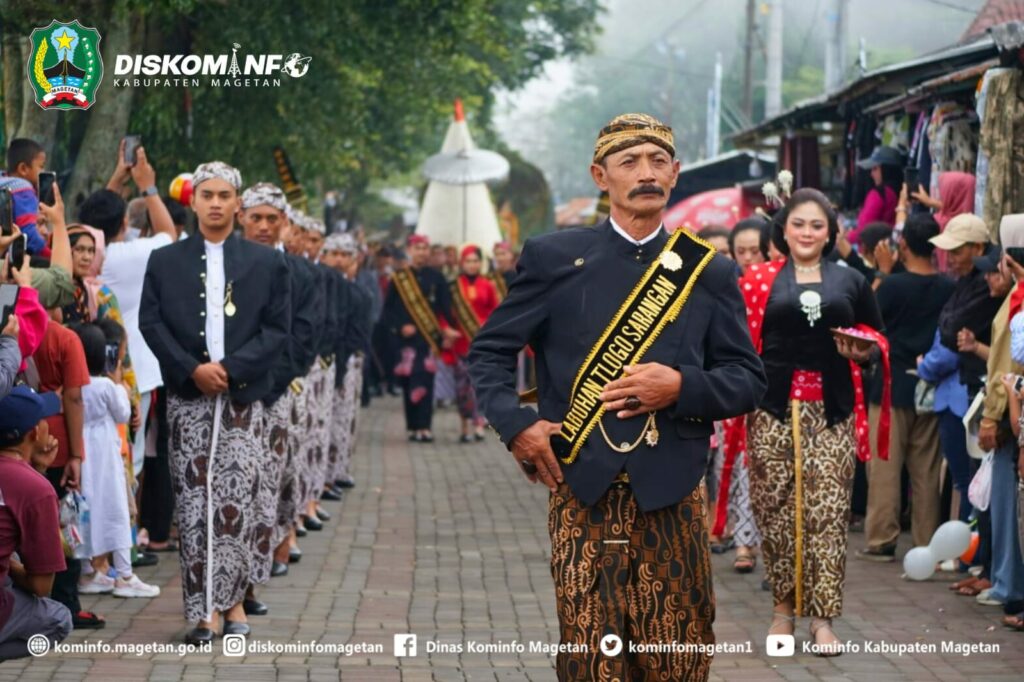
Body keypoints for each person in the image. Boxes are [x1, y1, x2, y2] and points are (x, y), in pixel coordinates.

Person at [469, 113, 766, 680]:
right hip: (581, 485)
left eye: (658, 161)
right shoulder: (554, 258)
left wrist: (681, 385)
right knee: (590, 654)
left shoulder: (708, 271)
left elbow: (747, 379)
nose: (646, 173)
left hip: (673, 487)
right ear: (600, 176)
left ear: (675, 173)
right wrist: (517, 426)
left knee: (677, 653)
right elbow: (488, 353)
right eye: (629, 161)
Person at [140, 161, 290, 645]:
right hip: (189, 398)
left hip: (243, 398)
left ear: (237, 204)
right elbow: (151, 323)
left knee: (236, 499)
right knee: (193, 504)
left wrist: (232, 368)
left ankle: (235, 601)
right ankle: (203, 611)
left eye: (225, 195)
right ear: (194, 200)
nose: (216, 203)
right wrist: (192, 369)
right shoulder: (166, 260)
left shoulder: (267, 262)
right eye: (208, 195)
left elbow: (277, 329)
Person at [743, 187, 886, 656]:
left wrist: (864, 352)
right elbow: (738, 344)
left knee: (828, 514)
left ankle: (823, 620)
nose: (807, 232)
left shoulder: (851, 280)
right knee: (776, 511)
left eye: (817, 225)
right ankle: (782, 612)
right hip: (771, 410)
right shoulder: (757, 280)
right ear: (783, 230)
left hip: (832, 412)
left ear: (830, 233)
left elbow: (876, 337)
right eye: (799, 224)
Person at [236, 183, 318, 582]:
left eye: (272, 219)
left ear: (284, 221)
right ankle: (237, 570)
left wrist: (267, 383)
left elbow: (303, 338)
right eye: (256, 218)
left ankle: (275, 547)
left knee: (275, 476)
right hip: (230, 390)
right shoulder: (225, 263)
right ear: (242, 219)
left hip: (276, 390)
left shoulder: (301, 272)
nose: (264, 227)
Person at [859, 214, 953, 561]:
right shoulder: (948, 286)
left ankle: (881, 539)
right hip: (930, 384)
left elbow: (864, 320)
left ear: (903, 244)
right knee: (926, 469)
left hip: (890, 384)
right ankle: (926, 543)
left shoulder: (893, 286)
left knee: (885, 465)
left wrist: (883, 273)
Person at [90, 140, 177, 489]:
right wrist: (147, 186)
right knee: (131, 458)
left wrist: (116, 179)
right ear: (124, 222)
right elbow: (168, 235)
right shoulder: (129, 257)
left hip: (88, 367)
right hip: (131, 370)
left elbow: (94, 221)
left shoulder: (86, 252)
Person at [70, 322, 159, 599]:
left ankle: (87, 572)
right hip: (106, 457)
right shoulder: (107, 386)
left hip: (85, 454)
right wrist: (120, 385)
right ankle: (124, 575)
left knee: (87, 512)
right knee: (116, 510)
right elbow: (122, 413)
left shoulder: (75, 386)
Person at [927, 214, 1002, 524]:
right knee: (970, 479)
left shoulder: (985, 284)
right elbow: (947, 325)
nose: (951, 259)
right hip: (972, 387)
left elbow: (951, 327)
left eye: (957, 251)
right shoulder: (968, 281)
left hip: (986, 392)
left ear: (978, 248)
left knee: (978, 481)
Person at [0, 386, 73, 660]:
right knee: (58, 618)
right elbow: (41, 585)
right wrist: (11, 567)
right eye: (44, 419)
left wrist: (36, 470)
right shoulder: (35, 488)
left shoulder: (30, 481)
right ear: (33, 433)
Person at [382, 234, 458, 442]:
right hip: (406, 342)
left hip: (429, 339)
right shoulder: (399, 279)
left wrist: (448, 330)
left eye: (425, 248)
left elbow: (445, 308)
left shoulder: (437, 278)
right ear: (409, 250)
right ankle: (412, 426)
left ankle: (425, 426)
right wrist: (400, 327)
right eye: (418, 248)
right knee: (409, 383)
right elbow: (388, 311)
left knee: (426, 381)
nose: (422, 252)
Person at [321, 232, 371, 491]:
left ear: (355, 260)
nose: (339, 260)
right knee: (327, 420)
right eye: (334, 254)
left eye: (345, 255)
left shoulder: (358, 290)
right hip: (327, 360)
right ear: (324, 256)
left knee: (345, 418)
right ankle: (324, 478)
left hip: (350, 359)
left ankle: (338, 469)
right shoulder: (320, 284)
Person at [446, 244, 499, 442]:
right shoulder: (453, 287)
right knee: (462, 388)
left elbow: (496, 311)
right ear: (462, 263)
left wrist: (489, 325)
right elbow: (445, 313)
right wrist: (446, 329)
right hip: (460, 344)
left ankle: (478, 423)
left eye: (475, 261)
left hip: (481, 343)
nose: (472, 265)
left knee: (479, 386)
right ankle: (464, 426)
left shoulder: (487, 285)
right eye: (468, 261)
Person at [0, 139, 50, 256]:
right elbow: (28, 233)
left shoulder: (4, 182)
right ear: (23, 169)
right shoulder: (24, 189)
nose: (43, 172)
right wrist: (50, 256)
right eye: (41, 167)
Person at [852, 145, 902, 240]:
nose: (871, 174)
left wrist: (844, 238)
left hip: (874, 247)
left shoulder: (877, 195)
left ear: (886, 169)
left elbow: (864, 231)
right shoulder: (903, 193)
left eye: (875, 169)